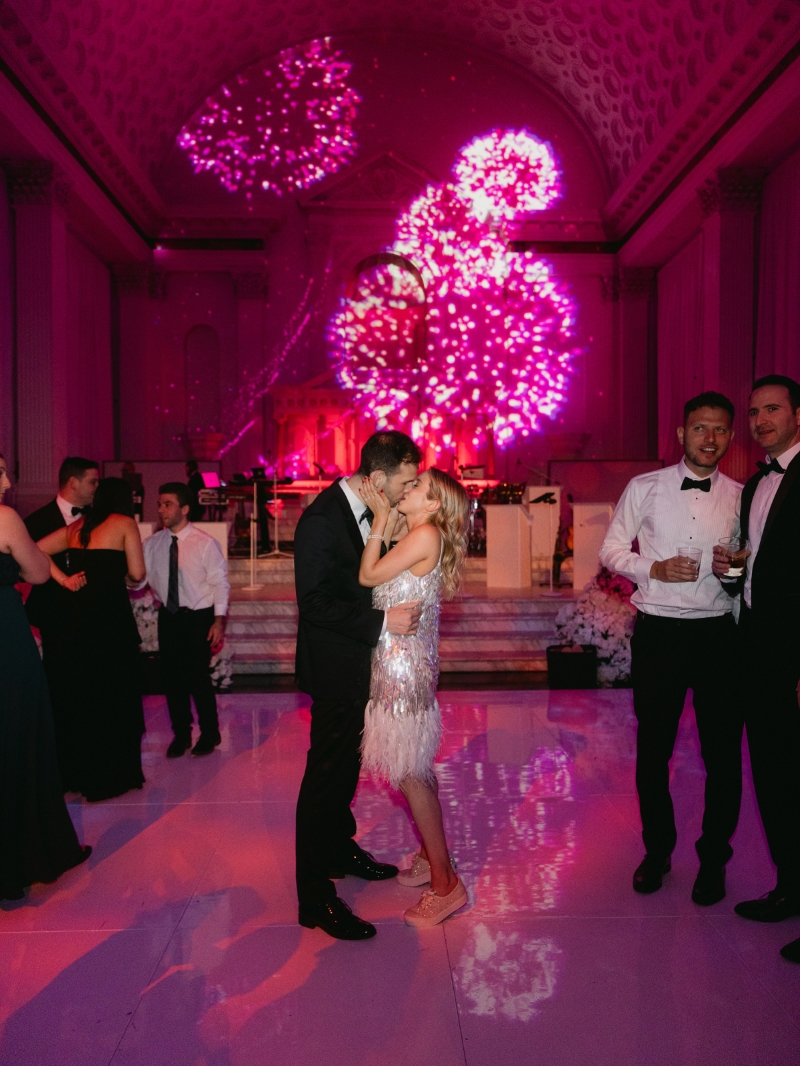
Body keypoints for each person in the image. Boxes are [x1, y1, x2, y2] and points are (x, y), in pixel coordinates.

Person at [599, 391, 743, 905]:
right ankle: (657, 851)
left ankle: (714, 860)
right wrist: (651, 567)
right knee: (653, 750)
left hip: (716, 635)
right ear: (681, 434)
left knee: (722, 754)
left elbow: (745, 571)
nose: (710, 438)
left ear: (731, 436)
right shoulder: (646, 487)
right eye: (700, 428)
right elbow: (611, 550)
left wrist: (735, 571)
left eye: (720, 429)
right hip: (659, 632)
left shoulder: (742, 496)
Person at [293, 431, 423, 941]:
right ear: (375, 479)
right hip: (335, 669)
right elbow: (315, 604)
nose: (408, 492)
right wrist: (384, 622)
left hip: (362, 667)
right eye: (404, 483)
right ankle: (314, 898)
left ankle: (339, 849)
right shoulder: (322, 521)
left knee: (348, 767)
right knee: (324, 778)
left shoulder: (374, 510)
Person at [711, 375, 800, 963]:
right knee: (773, 773)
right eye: (753, 412)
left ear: (798, 413)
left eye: (772, 409)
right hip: (758, 650)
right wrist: (731, 573)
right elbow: (759, 569)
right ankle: (789, 888)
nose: (760, 420)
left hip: (794, 653)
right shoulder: (753, 487)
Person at [358, 467, 470, 928]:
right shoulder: (417, 528)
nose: (407, 489)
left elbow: (367, 575)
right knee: (417, 766)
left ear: (434, 503)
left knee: (409, 773)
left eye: (416, 487)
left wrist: (382, 514)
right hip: (403, 660)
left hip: (402, 670)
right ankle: (429, 857)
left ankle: (446, 886)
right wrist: (389, 512)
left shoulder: (423, 534)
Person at [0, 454, 91, 900]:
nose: (7, 480)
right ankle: (23, 857)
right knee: (17, 738)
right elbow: (36, 571)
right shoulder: (4, 518)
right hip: (4, 640)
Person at [36, 478, 146, 802]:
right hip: (111, 622)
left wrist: (65, 579)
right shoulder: (125, 523)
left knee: (84, 696)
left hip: (79, 623)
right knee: (115, 695)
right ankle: (112, 776)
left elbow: (36, 549)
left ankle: (79, 773)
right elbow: (138, 574)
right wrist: (122, 574)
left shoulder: (77, 527)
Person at [142, 482, 229, 758]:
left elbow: (220, 584)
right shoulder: (153, 544)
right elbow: (140, 580)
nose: (161, 509)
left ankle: (210, 732)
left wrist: (218, 621)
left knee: (197, 677)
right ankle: (181, 734)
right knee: (171, 678)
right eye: (159, 504)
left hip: (198, 617)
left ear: (185, 508)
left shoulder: (204, 543)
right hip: (169, 616)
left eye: (168, 504)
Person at [24, 457, 99, 633]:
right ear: (73, 482)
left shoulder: (99, 519)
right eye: (92, 482)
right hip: (53, 614)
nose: (96, 488)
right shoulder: (36, 522)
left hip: (91, 612)